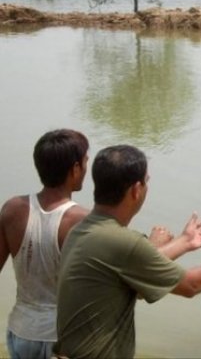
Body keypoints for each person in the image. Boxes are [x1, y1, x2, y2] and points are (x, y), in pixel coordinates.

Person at [54, 144, 201, 358]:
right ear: (136, 190)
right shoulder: (122, 242)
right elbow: (192, 284)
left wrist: (184, 241)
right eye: (147, 181)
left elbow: (133, 280)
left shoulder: (82, 230)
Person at [0, 129, 90, 359]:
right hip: (60, 336)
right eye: (86, 160)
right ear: (75, 168)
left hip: (21, 331)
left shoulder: (13, 209)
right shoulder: (81, 220)